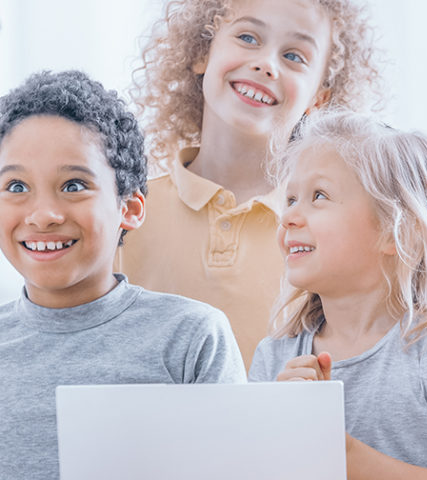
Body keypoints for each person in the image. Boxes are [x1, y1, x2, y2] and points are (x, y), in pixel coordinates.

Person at [0, 70, 246, 480]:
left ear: (129, 209)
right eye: (15, 186)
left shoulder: (191, 338)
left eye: (74, 184)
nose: (43, 215)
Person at [116, 0, 382, 370]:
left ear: (319, 98)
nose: (266, 64)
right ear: (201, 53)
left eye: (294, 56)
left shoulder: (332, 232)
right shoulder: (123, 216)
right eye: (247, 37)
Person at [249, 110, 427, 479]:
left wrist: (341, 451)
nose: (288, 217)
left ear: (396, 232)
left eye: (318, 196)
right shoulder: (274, 358)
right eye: (290, 199)